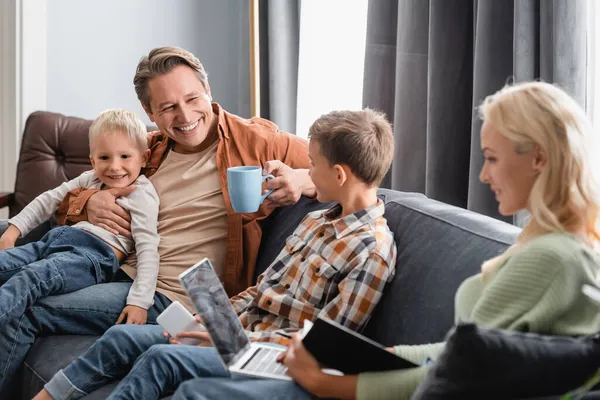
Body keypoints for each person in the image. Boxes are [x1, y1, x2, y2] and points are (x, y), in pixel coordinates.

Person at [168, 81, 600, 400]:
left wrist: (329, 384)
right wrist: (390, 354)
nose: (484, 175)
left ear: (539, 158)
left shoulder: (554, 259)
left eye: (491, 158)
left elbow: (457, 373)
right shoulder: (554, 243)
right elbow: (460, 352)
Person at [0, 46, 314, 395]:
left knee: (26, 307)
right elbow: (72, 192)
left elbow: (344, 169)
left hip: (178, 296)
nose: (184, 115)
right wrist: (90, 202)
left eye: (193, 98)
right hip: (122, 270)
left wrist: (301, 180)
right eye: (167, 107)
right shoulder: (151, 150)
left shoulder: (256, 141)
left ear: (208, 91)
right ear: (149, 112)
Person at [35, 108, 398, 400]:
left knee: (163, 359)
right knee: (122, 336)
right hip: (237, 335)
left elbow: (325, 344)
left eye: (312, 164)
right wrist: (210, 322)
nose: (305, 171)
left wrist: (230, 339)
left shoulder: (371, 251)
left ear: (337, 174)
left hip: (273, 357)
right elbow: (261, 291)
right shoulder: (317, 220)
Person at [0, 108, 160, 328]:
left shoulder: (142, 194)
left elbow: (148, 248)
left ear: (144, 158)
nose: (114, 166)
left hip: (90, 257)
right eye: (104, 157)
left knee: (32, 277)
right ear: (93, 161)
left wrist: (140, 302)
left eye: (125, 156)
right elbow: (49, 199)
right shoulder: (90, 179)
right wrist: (12, 232)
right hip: (54, 241)